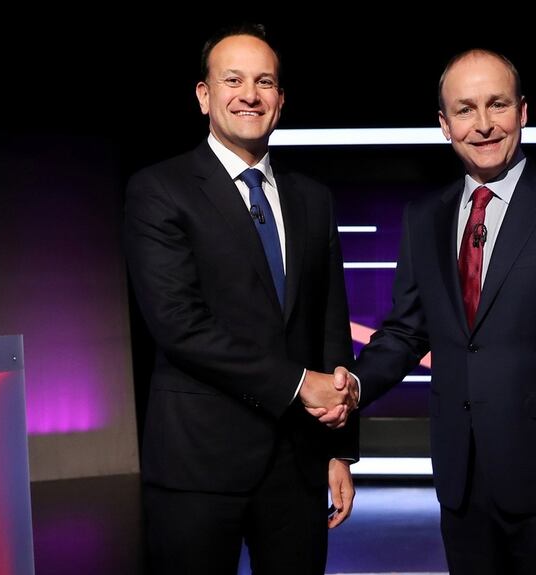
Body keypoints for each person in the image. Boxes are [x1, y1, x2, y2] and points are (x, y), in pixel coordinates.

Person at [340, 49, 536, 574]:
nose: (482, 125)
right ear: (444, 124)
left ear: (523, 112)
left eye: (496, 105)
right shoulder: (424, 218)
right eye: (465, 109)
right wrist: (354, 386)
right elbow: (406, 331)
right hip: (461, 480)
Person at [123, 23, 359, 575]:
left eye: (265, 82)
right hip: (199, 466)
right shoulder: (160, 190)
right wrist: (300, 385)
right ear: (204, 96)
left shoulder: (312, 199)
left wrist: (339, 449)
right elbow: (178, 324)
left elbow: (330, 323)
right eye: (232, 80)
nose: (249, 95)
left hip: (298, 466)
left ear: (280, 99)